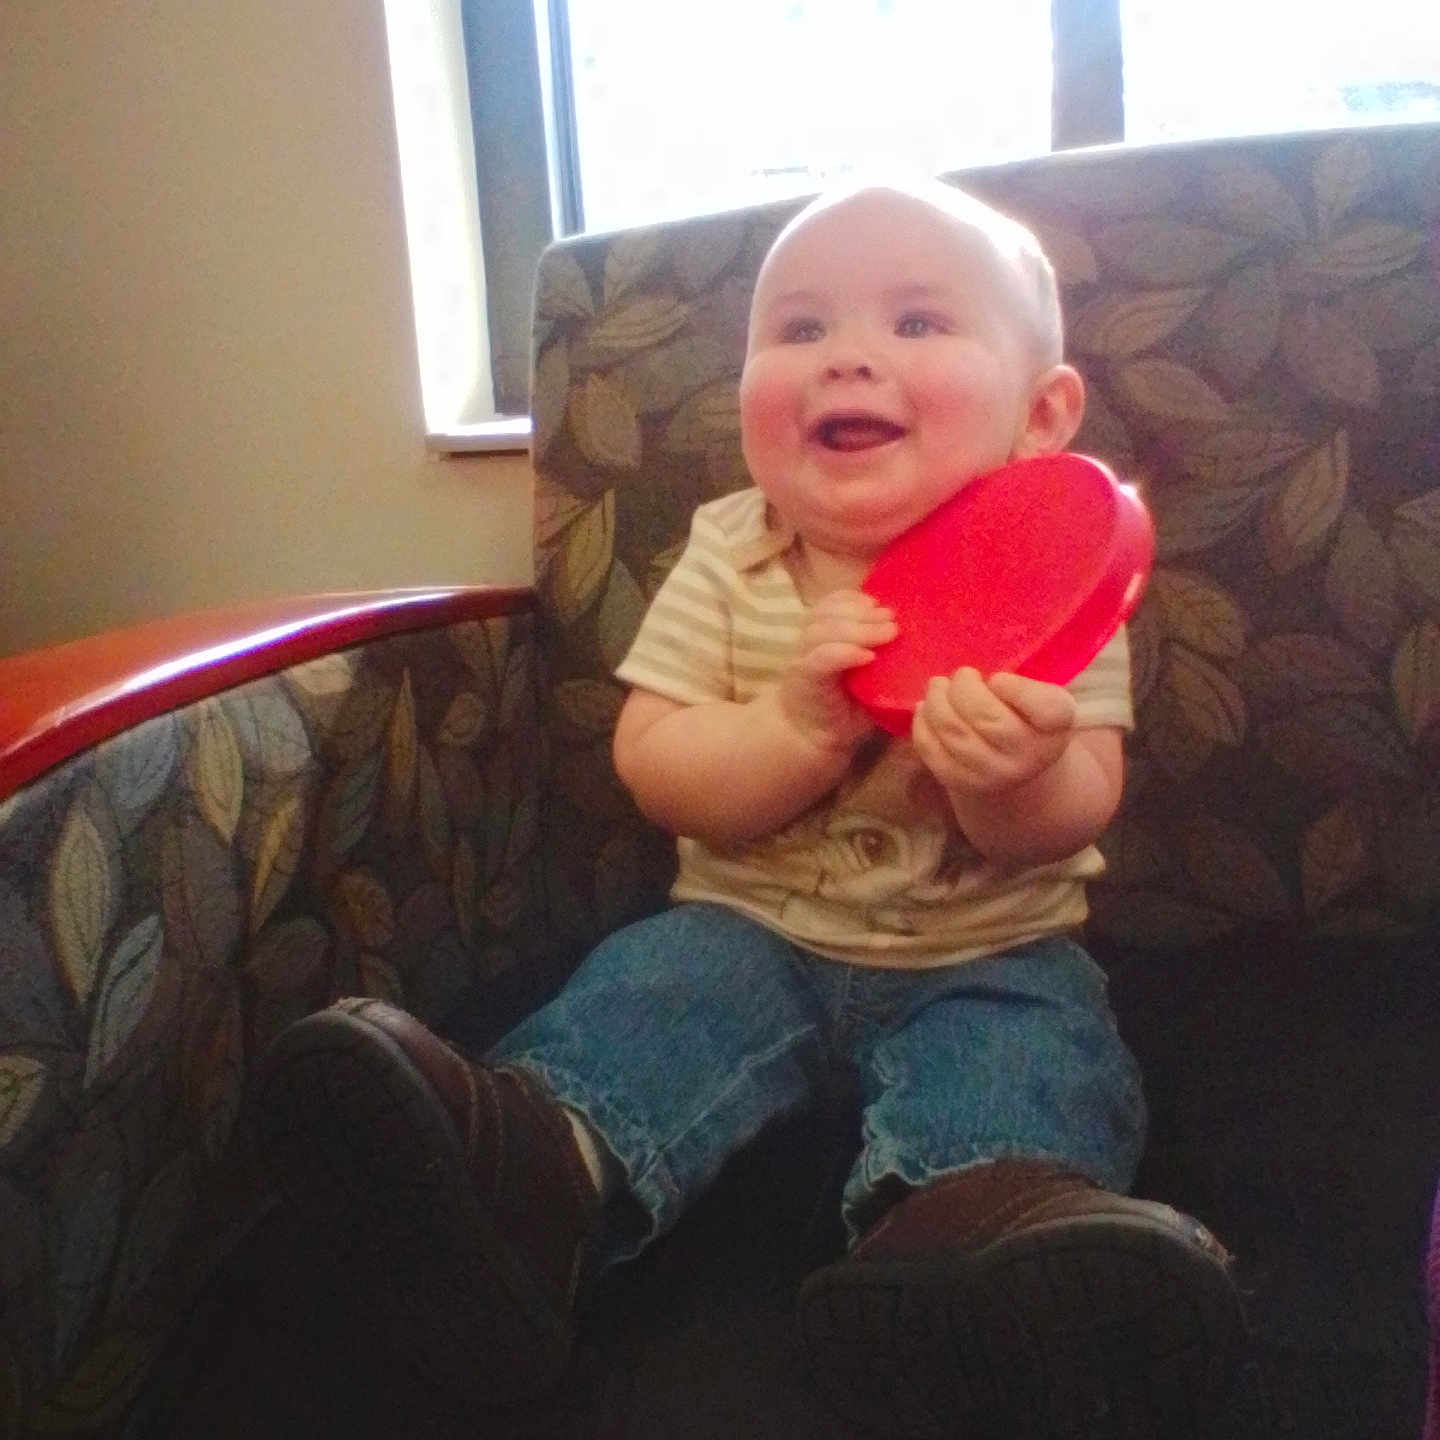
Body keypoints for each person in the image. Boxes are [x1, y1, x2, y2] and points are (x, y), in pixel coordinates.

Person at [259, 179, 1243, 1436]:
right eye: (799, 330)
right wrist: (790, 729)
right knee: (648, 999)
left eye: (918, 324)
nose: (848, 358)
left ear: (1042, 413)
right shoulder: (732, 550)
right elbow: (655, 761)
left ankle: (965, 1262)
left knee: (1031, 1062)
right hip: (746, 931)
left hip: (989, 953)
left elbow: (1078, 801)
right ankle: (524, 1182)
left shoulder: (1059, 559)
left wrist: (1010, 779)